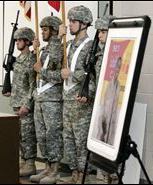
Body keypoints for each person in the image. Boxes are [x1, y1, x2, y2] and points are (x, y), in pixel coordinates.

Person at [60, 5, 95, 184]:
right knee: (69, 139)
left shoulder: (90, 46)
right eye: (70, 21)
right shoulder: (68, 44)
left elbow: (94, 75)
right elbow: (53, 62)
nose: (70, 25)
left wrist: (72, 75)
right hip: (67, 100)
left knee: (81, 141)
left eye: (73, 21)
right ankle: (74, 174)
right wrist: (59, 38)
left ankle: (83, 177)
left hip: (81, 103)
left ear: (84, 24)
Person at [29, 16, 64, 184]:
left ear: (54, 30)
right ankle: (47, 167)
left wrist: (41, 70)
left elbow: (59, 76)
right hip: (40, 98)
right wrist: (34, 53)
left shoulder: (60, 49)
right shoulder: (43, 50)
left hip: (52, 99)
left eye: (45, 29)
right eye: (41, 29)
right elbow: (33, 71)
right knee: (41, 135)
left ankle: (55, 170)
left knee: (52, 135)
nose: (42, 32)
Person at [4, 27, 37, 176]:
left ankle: (30, 163)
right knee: (19, 135)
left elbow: (33, 85)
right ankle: (23, 161)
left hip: (25, 104)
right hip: (16, 102)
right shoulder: (17, 60)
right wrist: (9, 89)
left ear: (28, 41)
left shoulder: (31, 60)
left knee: (27, 135)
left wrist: (27, 104)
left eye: (20, 40)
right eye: (16, 40)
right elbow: (18, 81)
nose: (17, 42)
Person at [96, 57, 122, 145]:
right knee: (101, 135)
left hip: (112, 116)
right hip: (104, 114)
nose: (118, 70)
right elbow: (105, 101)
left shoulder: (118, 84)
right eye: (117, 67)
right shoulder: (108, 82)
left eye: (119, 67)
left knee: (109, 138)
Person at [94, 15, 116, 86]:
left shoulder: (116, 53)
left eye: (103, 32)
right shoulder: (99, 52)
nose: (99, 35)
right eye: (99, 32)